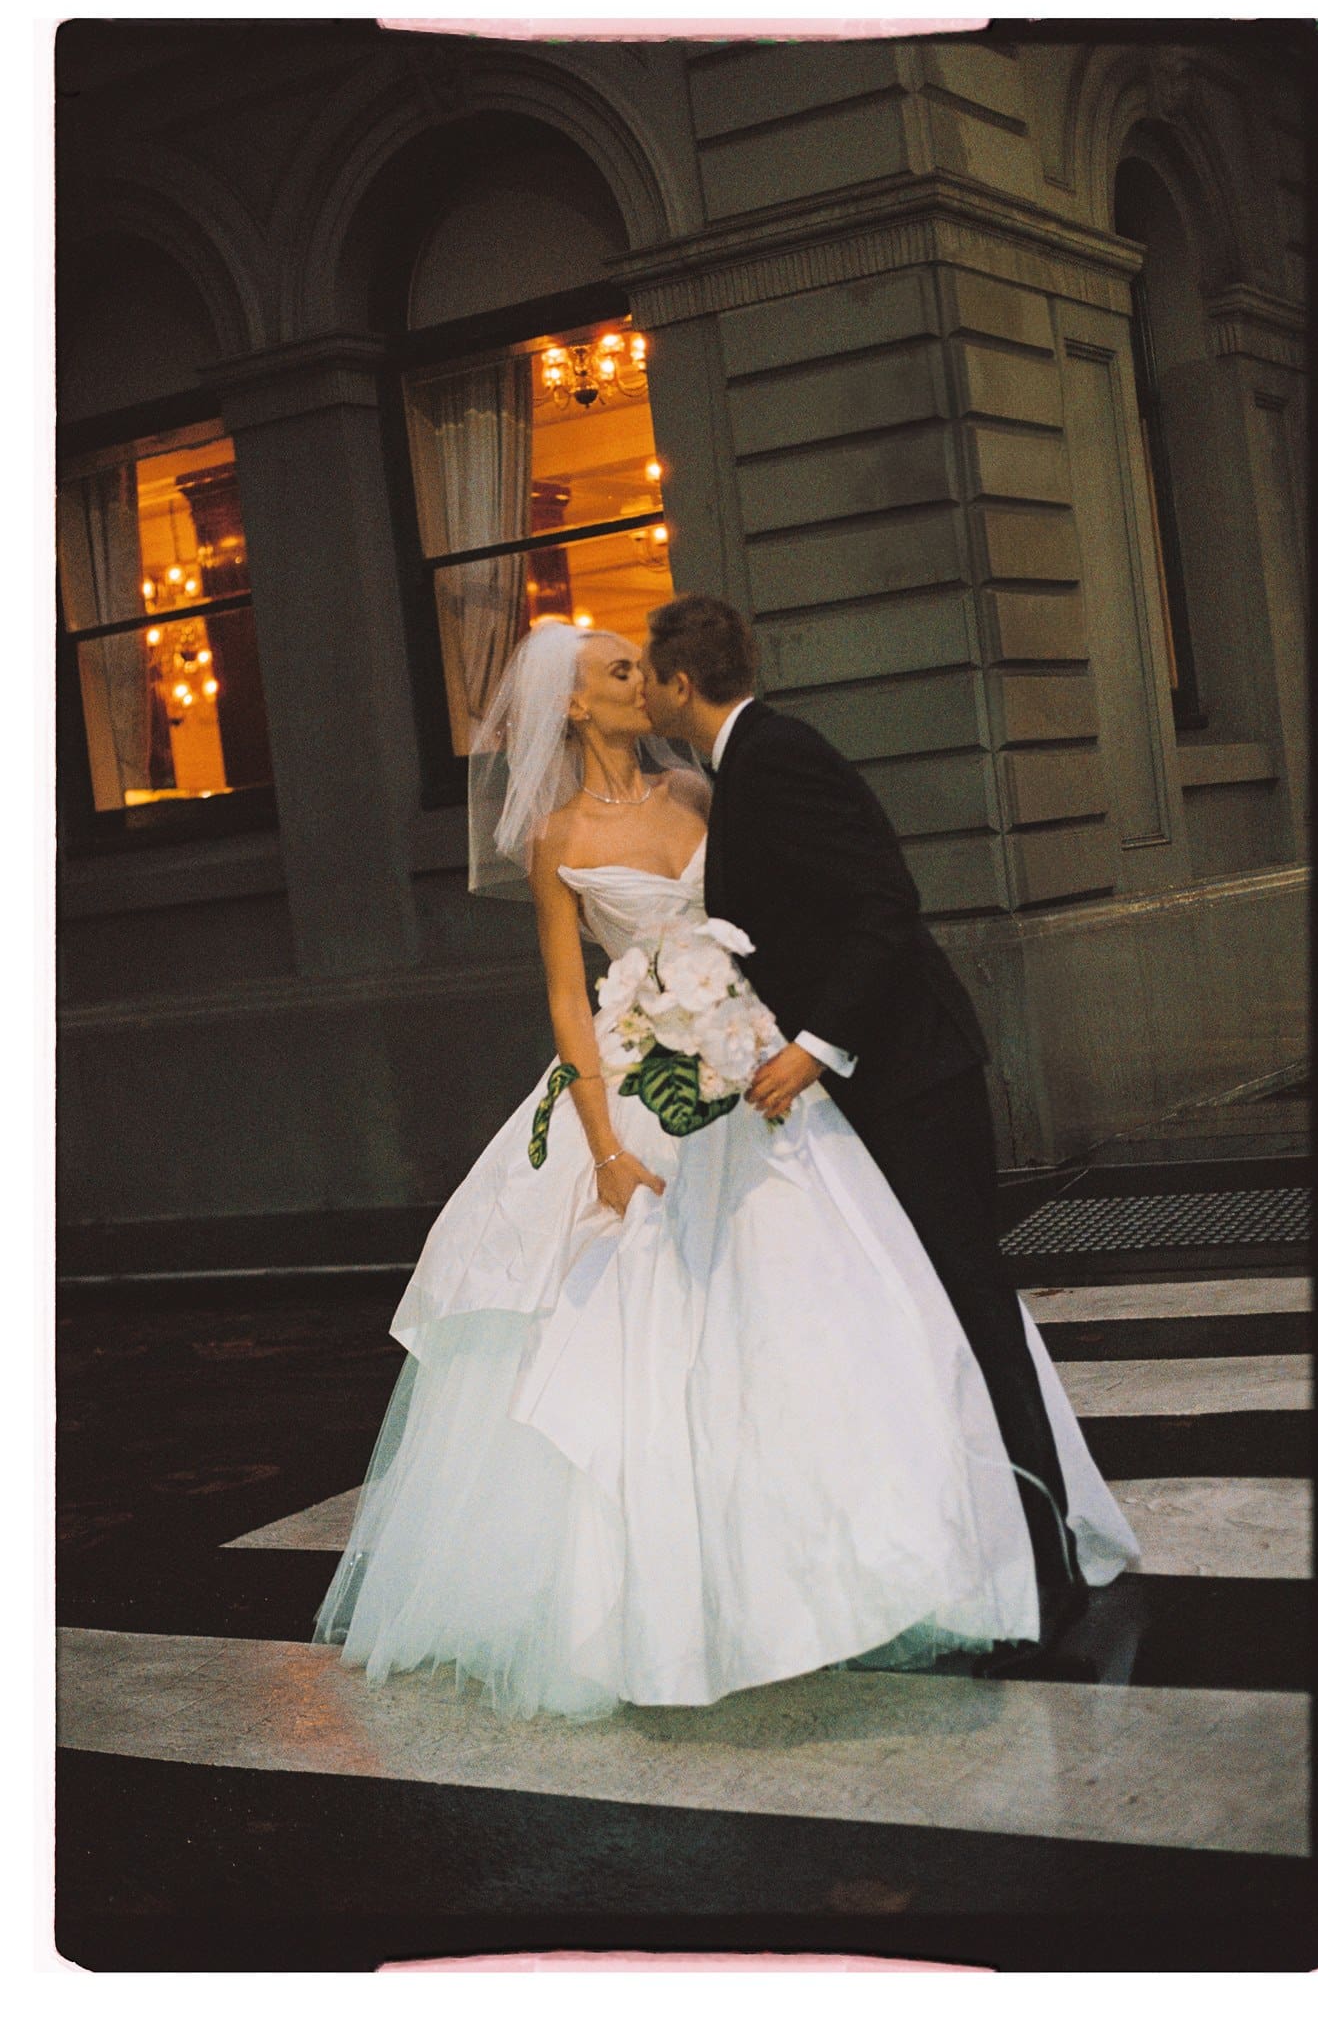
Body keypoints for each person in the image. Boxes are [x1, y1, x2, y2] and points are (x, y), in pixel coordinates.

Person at [313, 618, 1137, 1719]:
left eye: (637, 663)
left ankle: (903, 1555)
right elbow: (567, 995)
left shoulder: (706, 793)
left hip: (756, 1065)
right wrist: (605, 1145)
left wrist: (778, 1035)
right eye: (614, 668)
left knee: (839, 1300)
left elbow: (780, 916)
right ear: (575, 702)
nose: (632, 677)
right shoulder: (554, 835)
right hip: (635, 1084)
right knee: (646, 1344)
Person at [639, 593, 1090, 1667]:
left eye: (648, 675)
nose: (646, 692)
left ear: (677, 682)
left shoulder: (776, 755)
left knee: (972, 1301)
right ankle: (1000, 1549)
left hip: (908, 1071)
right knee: (935, 1309)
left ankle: (1047, 1561)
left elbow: (885, 902)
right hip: (875, 1078)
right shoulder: (746, 763)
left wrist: (817, 1044)